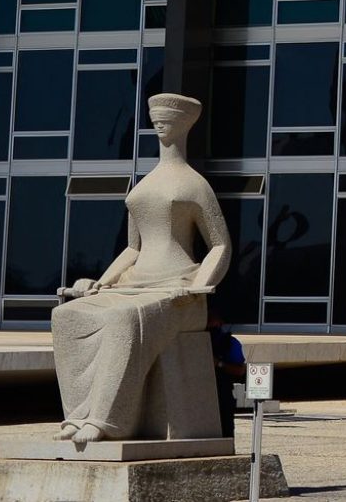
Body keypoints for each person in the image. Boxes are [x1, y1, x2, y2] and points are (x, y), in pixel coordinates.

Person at [51, 93, 231, 443]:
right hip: (133, 284)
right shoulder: (144, 184)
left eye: (168, 119)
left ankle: (106, 421)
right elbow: (133, 248)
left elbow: (221, 244)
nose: (160, 123)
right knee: (67, 317)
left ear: (185, 125)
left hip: (177, 290)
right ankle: (77, 416)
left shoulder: (195, 185)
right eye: (156, 118)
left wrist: (199, 286)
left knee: (123, 319)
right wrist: (100, 283)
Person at [208, 303, 246, 438]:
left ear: (220, 322)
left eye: (211, 319)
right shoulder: (192, 339)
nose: (208, 322)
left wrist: (219, 364)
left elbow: (240, 370)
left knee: (225, 432)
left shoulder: (229, 342)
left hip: (222, 394)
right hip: (199, 394)